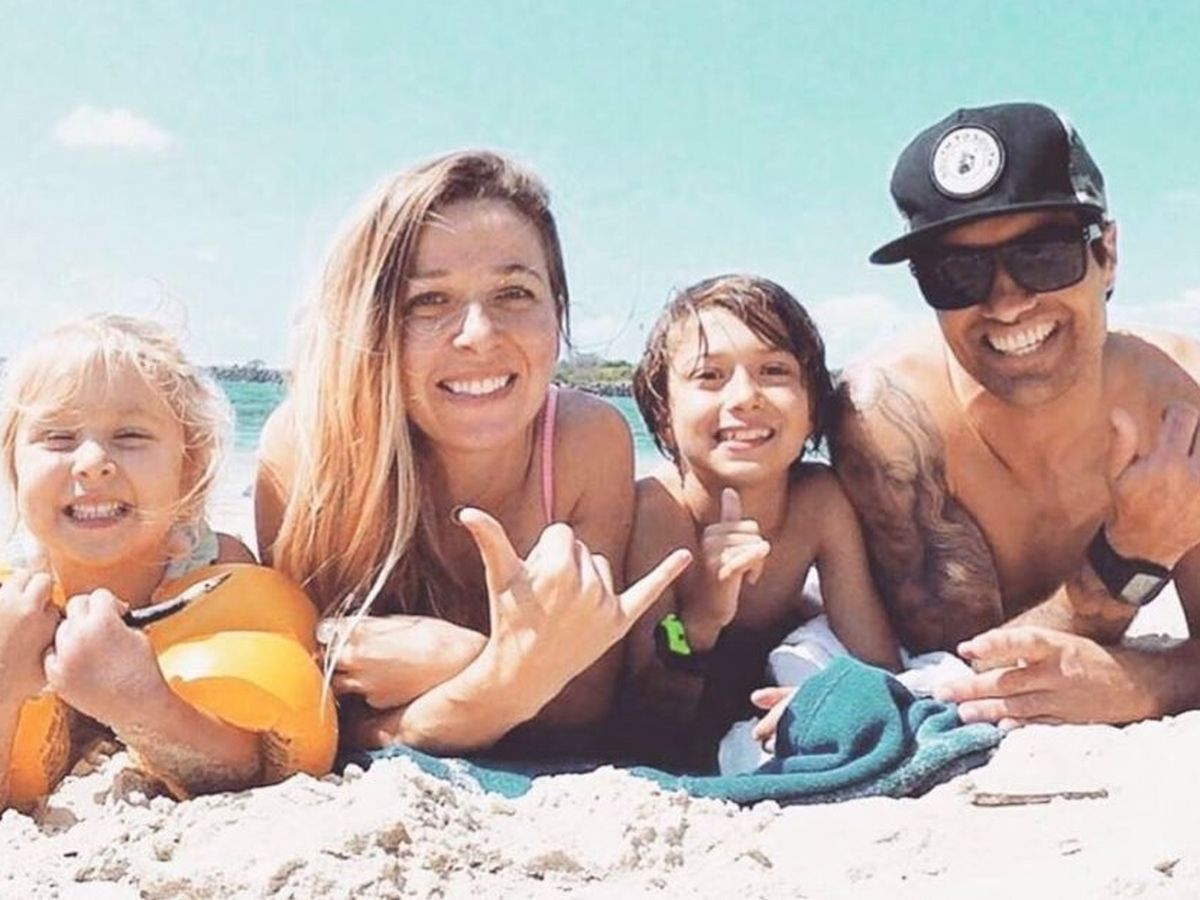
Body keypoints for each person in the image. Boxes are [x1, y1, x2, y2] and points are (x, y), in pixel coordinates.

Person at [256, 150, 690, 757]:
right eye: (428, 301)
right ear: (370, 322)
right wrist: (510, 671)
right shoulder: (305, 452)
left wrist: (463, 660)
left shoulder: (584, 442)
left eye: (514, 293)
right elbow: (308, 719)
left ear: (556, 313)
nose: (479, 335)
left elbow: (579, 711)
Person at [833, 102, 1200, 728]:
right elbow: (966, 666)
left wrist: (1140, 685)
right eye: (956, 273)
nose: (1007, 303)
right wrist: (1131, 555)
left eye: (1043, 255)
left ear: (1107, 254)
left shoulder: (1181, 404)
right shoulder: (891, 420)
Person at [622, 274, 899, 768]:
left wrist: (826, 704)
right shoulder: (658, 512)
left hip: (767, 695)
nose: (745, 397)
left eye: (774, 371)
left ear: (812, 409)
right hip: (686, 705)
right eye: (709, 376)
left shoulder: (817, 502)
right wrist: (702, 617)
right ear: (664, 414)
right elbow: (647, 716)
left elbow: (878, 666)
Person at [0, 315, 259, 810]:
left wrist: (141, 702)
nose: (92, 463)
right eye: (58, 437)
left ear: (189, 467)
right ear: (13, 465)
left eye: (131, 436)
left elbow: (252, 766)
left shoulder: (216, 573)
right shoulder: (11, 597)